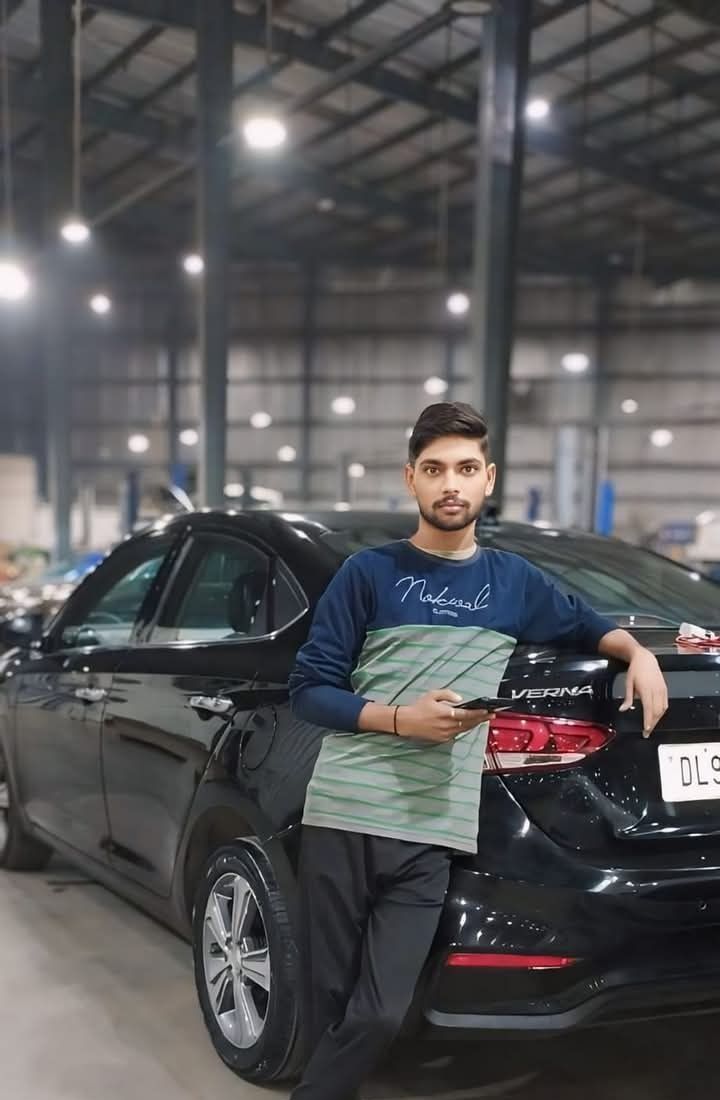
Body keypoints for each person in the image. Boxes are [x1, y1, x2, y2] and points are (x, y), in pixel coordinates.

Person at [288, 401, 668, 1100]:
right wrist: (399, 720)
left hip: (432, 829)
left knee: (381, 1012)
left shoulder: (514, 582)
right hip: (343, 815)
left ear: (488, 478)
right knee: (326, 1002)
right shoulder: (368, 574)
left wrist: (639, 654)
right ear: (411, 478)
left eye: (466, 469)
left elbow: (590, 626)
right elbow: (309, 690)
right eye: (434, 469)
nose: (450, 484)